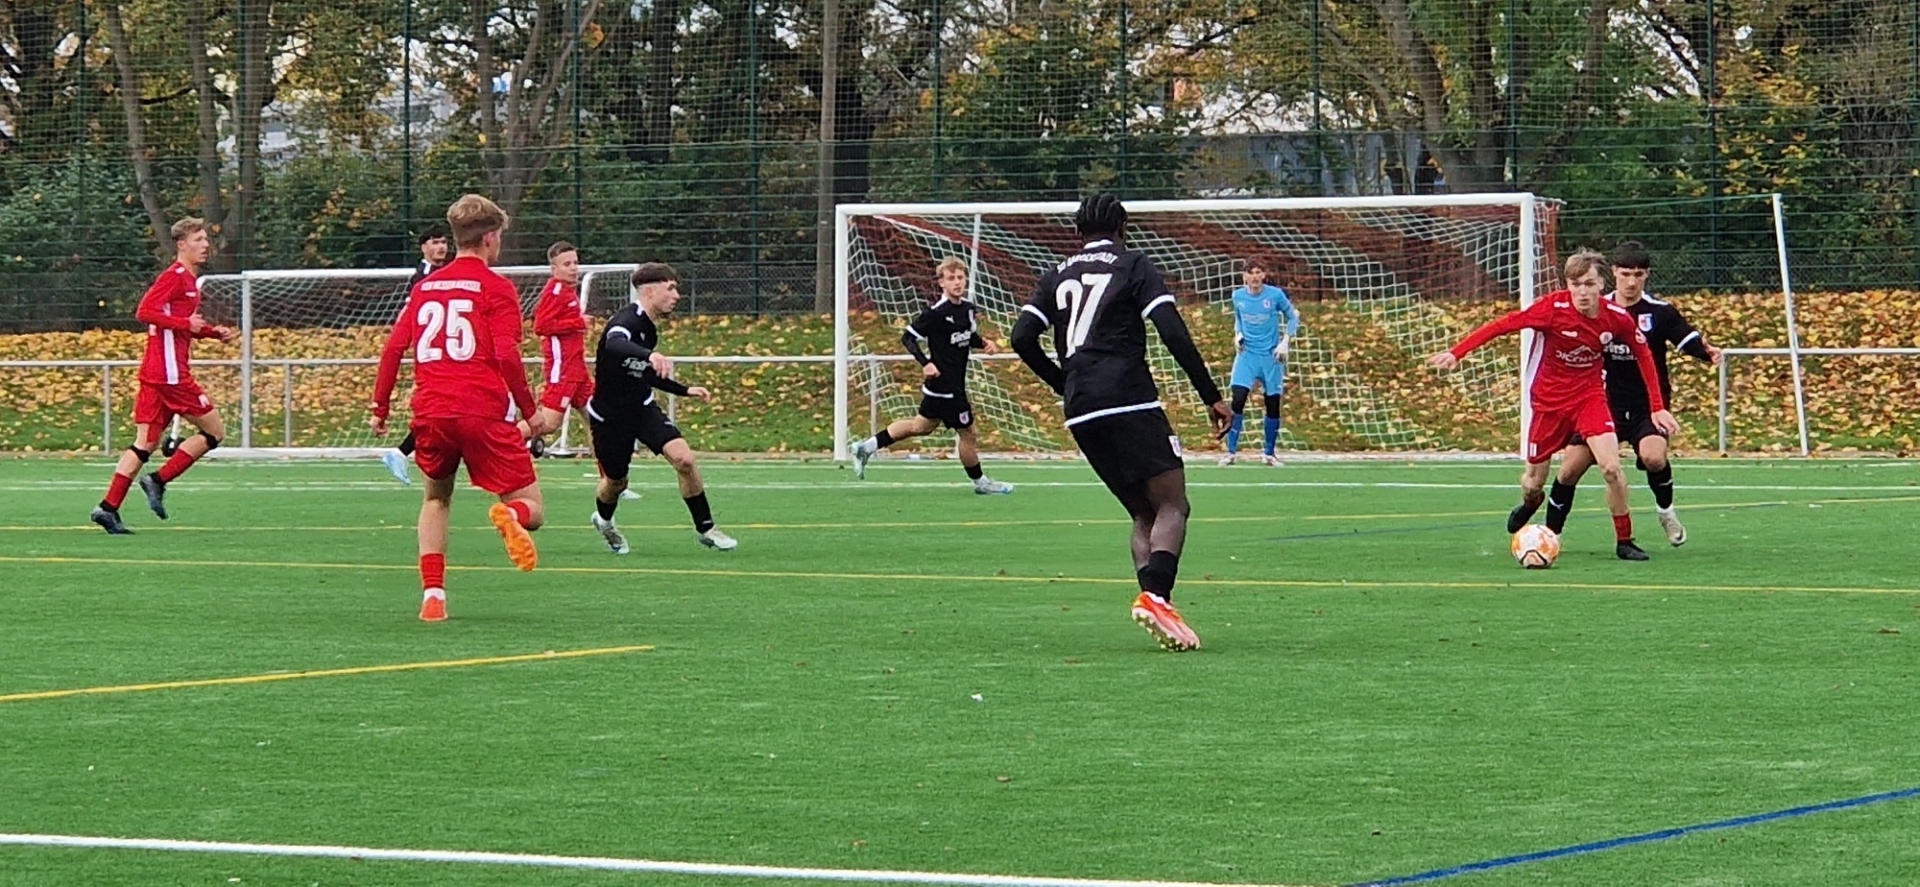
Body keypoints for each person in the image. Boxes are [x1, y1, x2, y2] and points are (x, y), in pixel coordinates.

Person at [1011, 193, 1232, 652]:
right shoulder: (1132, 264)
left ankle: (1157, 604)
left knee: (1142, 512)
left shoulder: (1056, 274)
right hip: (1128, 399)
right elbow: (1171, 329)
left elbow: (1021, 337)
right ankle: (1157, 598)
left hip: (1082, 409)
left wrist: (1064, 383)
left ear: (1078, 232)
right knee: (1173, 504)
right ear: (1122, 227)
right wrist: (1211, 395)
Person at [1428, 248, 1678, 561]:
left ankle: (1625, 540)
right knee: (1534, 482)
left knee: (1611, 468)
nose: (1582, 292)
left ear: (1602, 284)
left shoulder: (1616, 317)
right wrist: (1457, 352)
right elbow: (1502, 325)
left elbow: (1643, 354)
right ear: (1567, 284)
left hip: (1590, 399)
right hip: (1548, 404)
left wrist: (1657, 406)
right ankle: (1531, 503)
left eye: (1589, 284)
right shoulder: (1551, 309)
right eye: (1576, 284)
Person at [370, 195, 552, 622]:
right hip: (481, 409)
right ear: (489, 238)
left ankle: (433, 595)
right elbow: (506, 355)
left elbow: (394, 348)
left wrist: (381, 406)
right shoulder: (497, 287)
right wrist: (530, 413)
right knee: (532, 508)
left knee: (436, 498)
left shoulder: (425, 288)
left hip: (432, 410)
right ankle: (509, 514)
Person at [1550, 241, 1721, 547]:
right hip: (1601, 406)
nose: (1631, 282)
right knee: (1569, 469)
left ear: (1647, 275)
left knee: (1653, 458)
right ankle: (1551, 535)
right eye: (1626, 274)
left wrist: (1707, 352)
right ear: (1614, 273)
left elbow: (1687, 338)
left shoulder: (1660, 312)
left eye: (1638, 274)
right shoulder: (1596, 307)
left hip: (1647, 407)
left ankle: (1666, 512)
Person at [90, 218, 236, 534]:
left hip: (156, 373)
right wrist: (187, 324)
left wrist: (212, 333)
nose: (205, 245)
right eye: (198, 240)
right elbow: (144, 312)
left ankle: (107, 508)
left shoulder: (189, 282)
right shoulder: (175, 277)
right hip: (171, 376)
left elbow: (179, 326)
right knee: (214, 432)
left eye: (205, 239)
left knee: (145, 443)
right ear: (181, 245)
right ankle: (158, 480)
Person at [583, 262, 737, 554]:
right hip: (610, 418)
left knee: (685, 460)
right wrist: (649, 355)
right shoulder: (626, 320)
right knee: (615, 482)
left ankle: (706, 529)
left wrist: (684, 390)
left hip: (642, 410)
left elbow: (645, 374)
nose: (676, 295)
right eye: (671, 288)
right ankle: (604, 521)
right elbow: (615, 344)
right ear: (650, 291)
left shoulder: (649, 329)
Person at [849, 257, 1014, 494]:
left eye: (960, 277)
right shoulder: (936, 313)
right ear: (941, 283)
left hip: (945, 387)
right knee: (968, 433)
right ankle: (982, 484)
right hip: (946, 388)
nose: (957, 282)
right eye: (951, 278)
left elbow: (966, 336)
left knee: (921, 426)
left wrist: (984, 343)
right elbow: (908, 337)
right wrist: (925, 363)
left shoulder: (968, 309)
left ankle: (866, 447)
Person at [380, 224, 454, 485]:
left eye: (444, 242)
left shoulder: (445, 271)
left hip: (446, 353)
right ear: (423, 247)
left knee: (441, 413)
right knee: (438, 412)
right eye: (435, 242)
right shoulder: (423, 277)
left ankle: (401, 453)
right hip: (434, 356)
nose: (441, 247)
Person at [1218, 257, 1299, 466]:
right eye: (1250, 273)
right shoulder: (1238, 296)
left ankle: (1269, 454)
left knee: (1272, 404)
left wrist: (1285, 342)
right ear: (1244, 276)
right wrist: (1237, 335)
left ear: (1264, 275)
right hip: (1247, 356)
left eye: (1258, 272)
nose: (1254, 277)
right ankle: (1231, 452)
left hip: (1271, 357)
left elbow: (1293, 317)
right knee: (1237, 399)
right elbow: (1238, 318)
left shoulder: (1275, 295)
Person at [529, 240, 594, 454]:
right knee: (549, 423)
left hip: (577, 370)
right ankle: (499, 441)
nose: (573, 268)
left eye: (575, 263)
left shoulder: (567, 291)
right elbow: (541, 326)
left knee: (599, 421)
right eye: (567, 264)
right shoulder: (555, 291)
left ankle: (609, 473)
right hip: (563, 370)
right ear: (554, 269)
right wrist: (577, 323)